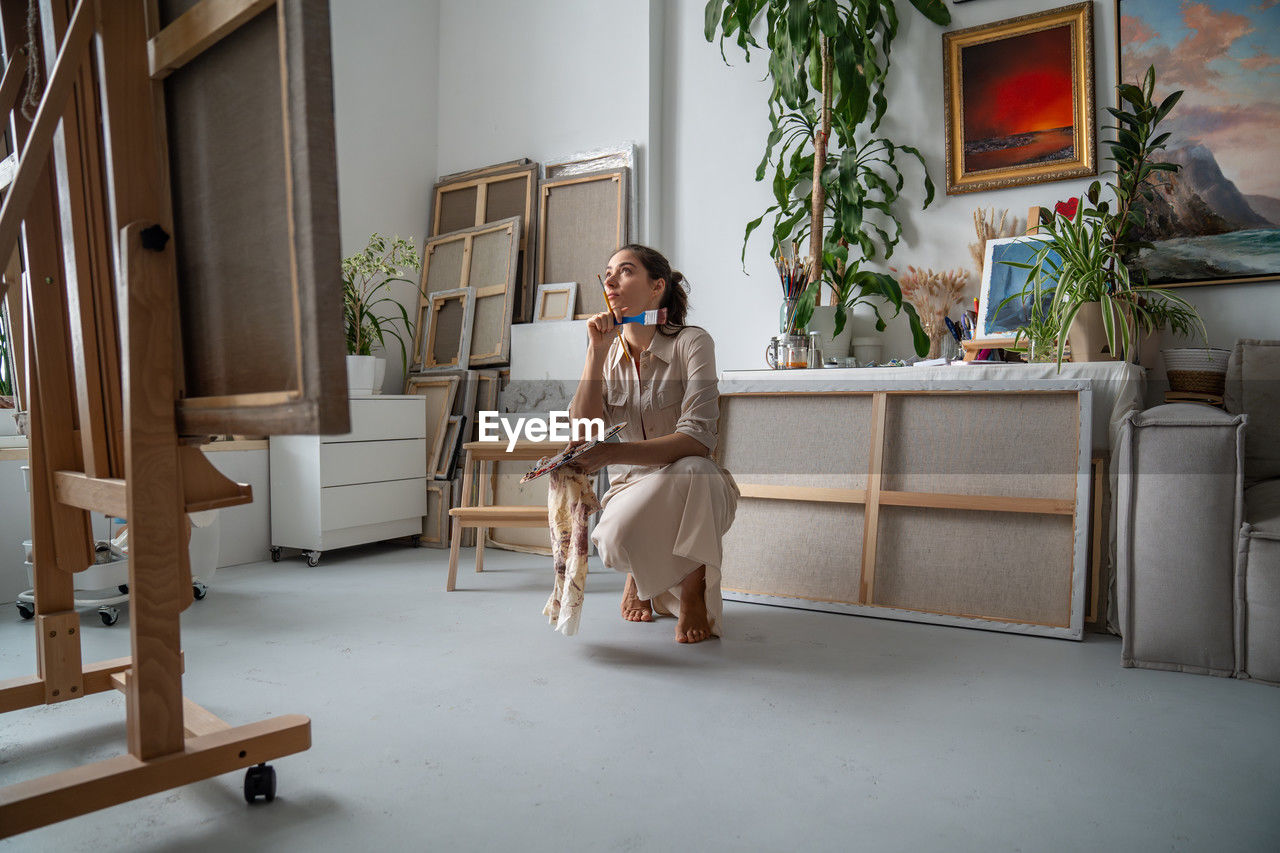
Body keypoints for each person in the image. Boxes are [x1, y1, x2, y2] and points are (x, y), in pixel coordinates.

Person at [566, 244, 739, 643]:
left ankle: (692, 591)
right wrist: (595, 352)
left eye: (625, 271)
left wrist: (612, 452)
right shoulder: (607, 356)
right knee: (610, 542)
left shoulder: (693, 343)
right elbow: (582, 435)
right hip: (630, 490)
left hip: (699, 492)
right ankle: (640, 578)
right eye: (607, 272)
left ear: (656, 286)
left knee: (697, 469)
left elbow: (697, 438)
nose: (610, 280)